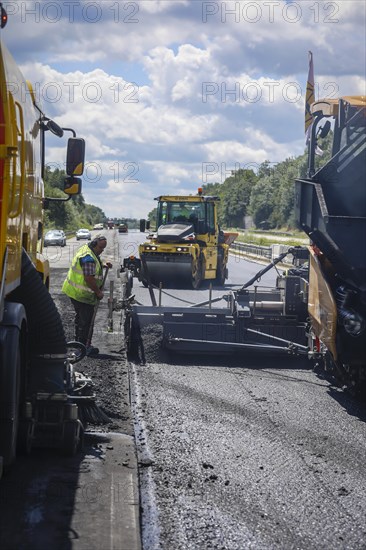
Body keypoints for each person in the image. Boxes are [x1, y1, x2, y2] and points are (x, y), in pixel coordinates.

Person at [62, 234, 113, 357]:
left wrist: (103, 265)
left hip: (74, 291)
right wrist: (98, 292)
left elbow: (91, 267)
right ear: (95, 244)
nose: (102, 250)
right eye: (101, 248)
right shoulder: (88, 258)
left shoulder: (86, 249)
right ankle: (83, 347)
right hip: (82, 294)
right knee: (86, 322)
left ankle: (79, 344)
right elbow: (89, 278)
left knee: (81, 319)